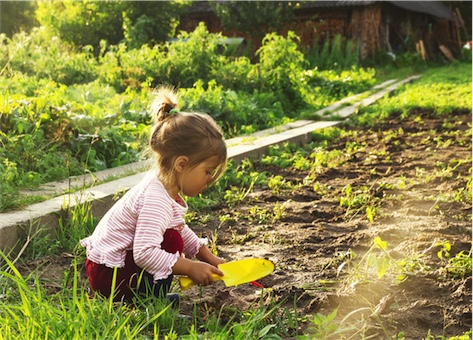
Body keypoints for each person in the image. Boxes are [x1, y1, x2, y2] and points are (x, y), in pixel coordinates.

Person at [80, 87, 227, 304]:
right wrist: (189, 267)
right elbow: (144, 253)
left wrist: (207, 257)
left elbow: (177, 225)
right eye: (207, 172)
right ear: (182, 164)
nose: (209, 179)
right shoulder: (155, 199)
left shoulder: (163, 187)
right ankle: (147, 303)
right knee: (171, 240)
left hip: (111, 269)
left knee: (172, 235)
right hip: (110, 275)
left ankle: (143, 296)